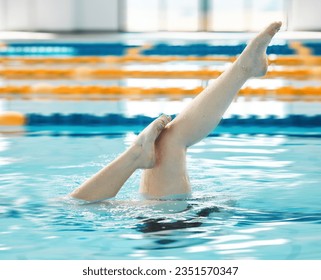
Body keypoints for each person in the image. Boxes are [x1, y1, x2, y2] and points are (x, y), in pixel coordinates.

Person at [70, 21, 282, 202]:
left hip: (159, 217)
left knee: (165, 142)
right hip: (166, 222)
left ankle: (135, 155)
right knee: (168, 141)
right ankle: (244, 68)